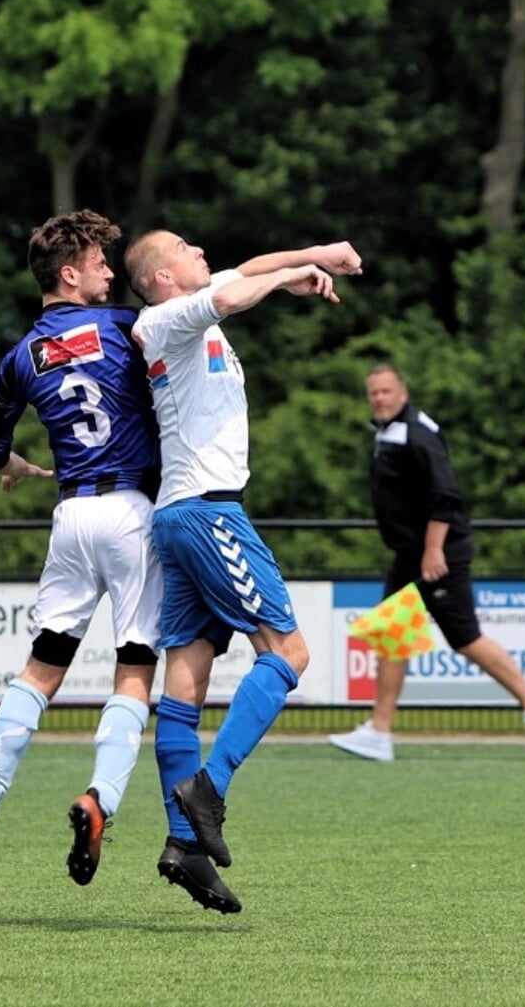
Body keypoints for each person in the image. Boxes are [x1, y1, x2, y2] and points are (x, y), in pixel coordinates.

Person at [125, 230, 362, 915]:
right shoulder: (162, 318)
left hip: (180, 513)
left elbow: (244, 271)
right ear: (163, 276)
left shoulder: (194, 297)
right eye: (185, 246)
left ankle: (184, 847)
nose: (200, 247)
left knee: (186, 682)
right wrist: (297, 273)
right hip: (209, 512)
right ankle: (208, 788)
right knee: (288, 651)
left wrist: (312, 256)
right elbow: (233, 289)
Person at [0, 209, 164, 894]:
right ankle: (98, 798)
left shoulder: (21, 356)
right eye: (101, 259)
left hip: (70, 515)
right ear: (68, 272)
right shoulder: (126, 326)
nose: (110, 267)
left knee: (40, 672)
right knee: (133, 672)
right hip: (131, 512)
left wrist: (11, 461)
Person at [328, 364, 525, 762]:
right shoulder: (389, 431)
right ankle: (379, 731)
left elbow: (446, 497)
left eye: (386, 391)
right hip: (410, 556)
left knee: (464, 637)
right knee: (392, 632)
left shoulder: (418, 434)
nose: (379, 399)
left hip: (438, 555)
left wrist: (434, 550)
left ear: (403, 393)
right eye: (373, 392)